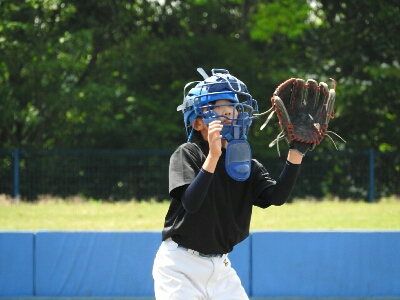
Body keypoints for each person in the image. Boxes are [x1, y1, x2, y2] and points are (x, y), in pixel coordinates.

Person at [152, 68, 303, 300]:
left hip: (219, 269)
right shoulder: (188, 153)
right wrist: (212, 156)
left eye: (232, 106)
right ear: (198, 123)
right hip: (179, 265)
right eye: (218, 106)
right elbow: (191, 203)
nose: (229, 112)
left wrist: (297, 152)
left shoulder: (245, 163)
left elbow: (276, 197)